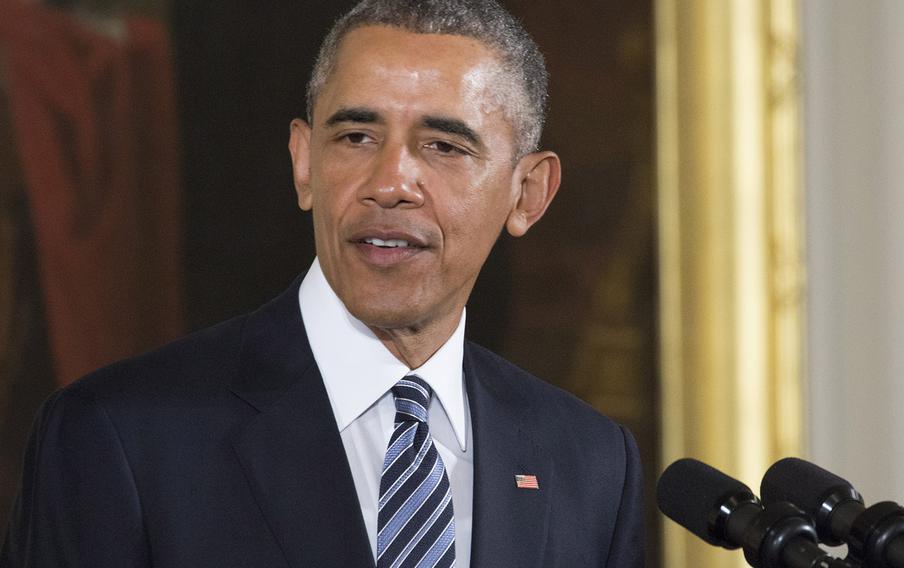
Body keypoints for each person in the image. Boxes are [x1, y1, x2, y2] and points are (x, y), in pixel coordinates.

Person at [1, 1, 643, 566]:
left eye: (444, 146)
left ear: (527, 193)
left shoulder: (590, 462)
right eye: (357, 136)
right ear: (304, 164)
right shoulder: (120, 435)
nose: (390, 183)